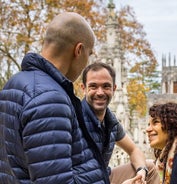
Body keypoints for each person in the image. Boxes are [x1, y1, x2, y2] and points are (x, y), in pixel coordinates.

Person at [0, 12, 111, 184]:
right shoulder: (50, 98)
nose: (86, 63)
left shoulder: (13, 84)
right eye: (89, 54)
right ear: (79, 50)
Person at [81, 62, 160, 184]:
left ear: (114, 89)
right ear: (83, 89)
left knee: (149, 167)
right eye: (93, 86)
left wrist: (141, 171)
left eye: (106, 86)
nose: (100, 92)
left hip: (103, 176)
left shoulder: (110, 121)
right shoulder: (73, 119)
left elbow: (134, 150)